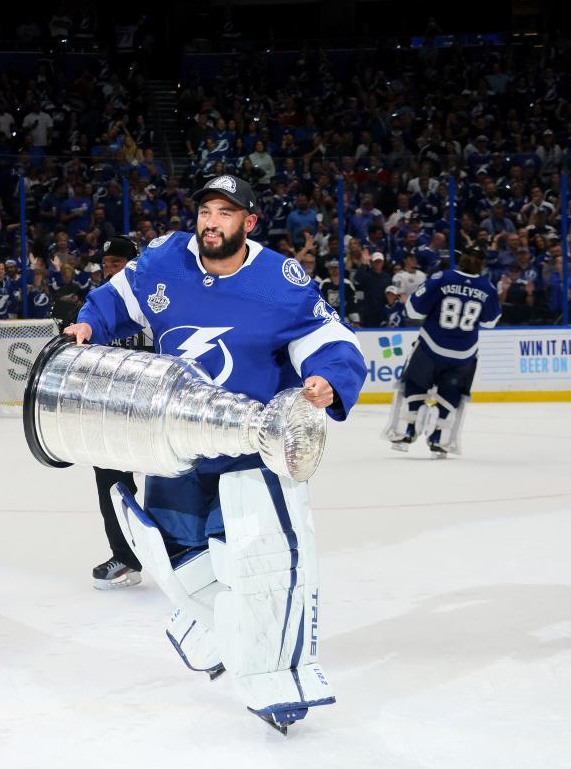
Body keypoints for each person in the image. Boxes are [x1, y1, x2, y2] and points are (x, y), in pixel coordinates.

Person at [66, 174, 365, 731]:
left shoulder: (281, 281)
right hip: (176, 446)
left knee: (263, 565)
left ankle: (280, 676)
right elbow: (115, 298)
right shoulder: (164, 261)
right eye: (206, 210)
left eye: (226, 213)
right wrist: (90, 322)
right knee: (177, 562)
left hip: (251, 451)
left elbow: (333, 340)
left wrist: (326, 378)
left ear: (249, 223)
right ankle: (226, 635)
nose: (211, 222)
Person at [384, 247, 501, 458]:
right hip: (463, 354)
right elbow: (490, 322)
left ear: (461, 259)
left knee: (415, 385)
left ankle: (408, 429)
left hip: (431, 346)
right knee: (450, 395)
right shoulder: (487, 287)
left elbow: (413, 310)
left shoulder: (442, 278)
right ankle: (440, 439)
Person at [89, 236, 147, 591]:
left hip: (157, 409)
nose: (109, 270)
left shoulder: (156, 298)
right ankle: (125, 556)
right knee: (110, 479)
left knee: (179, 479)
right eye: (106, 264)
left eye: (116, 263)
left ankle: (191, 551)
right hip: (114, 409)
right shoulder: (101, 302)